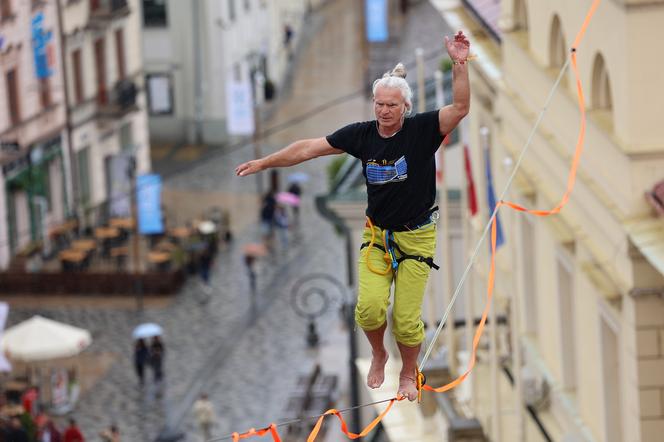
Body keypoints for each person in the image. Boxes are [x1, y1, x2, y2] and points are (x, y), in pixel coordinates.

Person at [236, 31, 470, 401]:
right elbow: (308, 149)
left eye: (391, 105)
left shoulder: (422, 130)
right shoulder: (362, 136)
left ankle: (409, 372)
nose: (383, 111)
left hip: (417, 235)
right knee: (369, 309)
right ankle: (378, 353)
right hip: (378, 236)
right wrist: (265, 162)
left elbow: (459, 109)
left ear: (405, 107)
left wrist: (459, 63)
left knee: (407, 320)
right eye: (378, 104)